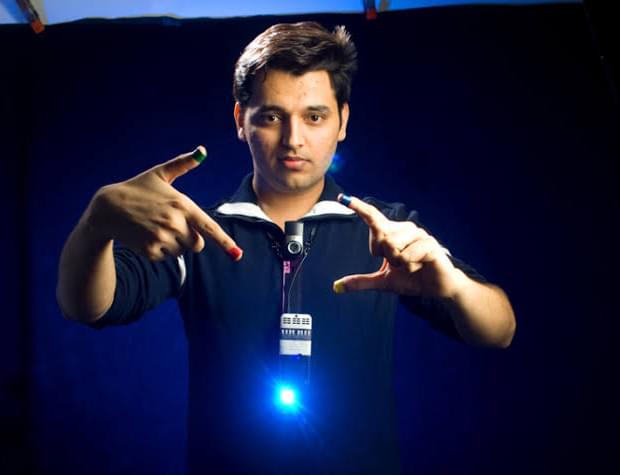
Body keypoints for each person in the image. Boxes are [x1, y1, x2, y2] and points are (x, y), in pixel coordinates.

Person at [57, 21, 515, 475]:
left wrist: (456, 287)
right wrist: (96, 224)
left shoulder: (387, 231)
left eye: (314, 116)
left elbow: (500, 331)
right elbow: (89, 306)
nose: (294, 139)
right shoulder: (198, 232)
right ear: (240, 120)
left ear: (342, 121)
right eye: (271, 116)